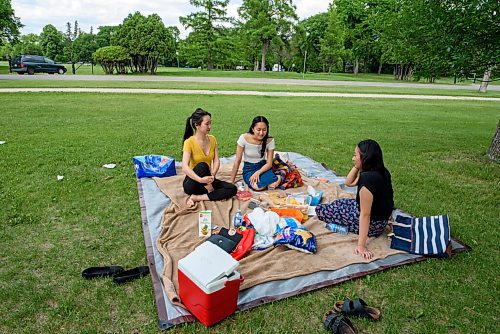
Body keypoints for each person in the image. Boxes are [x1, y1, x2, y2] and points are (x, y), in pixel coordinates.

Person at [315, 139, 394, 260]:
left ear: (365, 158)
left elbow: (365, 215)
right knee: (339, 202)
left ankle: (360, 238)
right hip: (380, 219)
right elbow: (348, 182)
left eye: (355, 155)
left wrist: (361, 246)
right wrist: (357, 166)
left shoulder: (367, 181)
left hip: (373, 225)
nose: (353, 158)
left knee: (321, 210)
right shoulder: (381, 171)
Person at [182, 108, 237, 207]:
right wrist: (200, 180)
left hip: (208, 181)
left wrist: (213, 174)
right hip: (193, 182)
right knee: (202, 166)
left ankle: (197, 198)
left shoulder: (212, 139)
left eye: (210, 123)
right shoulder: (189, 142)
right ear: (197, 125)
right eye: (207, 124)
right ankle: (211, 192)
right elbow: (185, 167)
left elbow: (216, 160)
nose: (210, 126)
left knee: (232, 189)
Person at [230, 116, 281, 191]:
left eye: (264, 130)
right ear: (253, 129)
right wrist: (232, 180)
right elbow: (237, 160)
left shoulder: (269, 141)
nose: (261, 133)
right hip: (249, 169)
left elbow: (269, 163)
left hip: (262, 167)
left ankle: (278, 177)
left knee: (272, 185)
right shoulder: (244, 138)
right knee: (257, 187)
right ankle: (273, 179)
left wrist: (258, 172)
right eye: (258, 130)